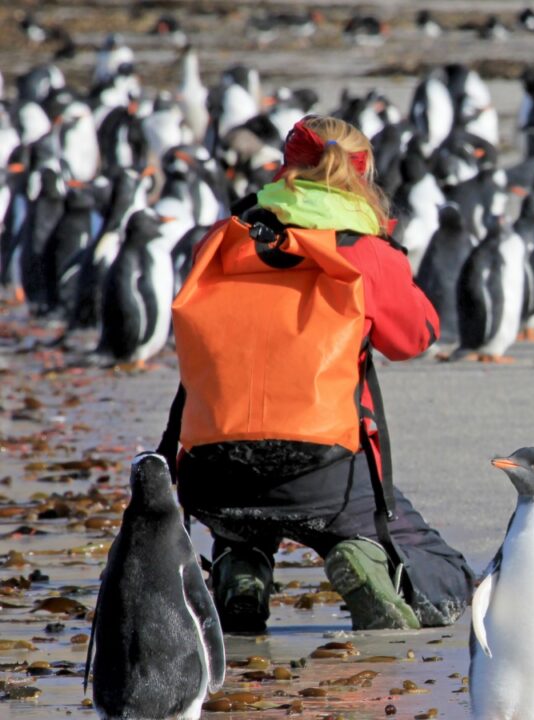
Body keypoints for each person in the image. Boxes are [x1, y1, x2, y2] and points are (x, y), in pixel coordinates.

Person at [164, 115, 473, 633]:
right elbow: (415, 337)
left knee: (245, 514)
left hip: (211, 474)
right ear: (362, 173)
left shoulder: (220, 239)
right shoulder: (363, 252)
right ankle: (363, 557)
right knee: (445, 570)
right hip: (322, 472)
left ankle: (240, 567)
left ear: (285, 168)